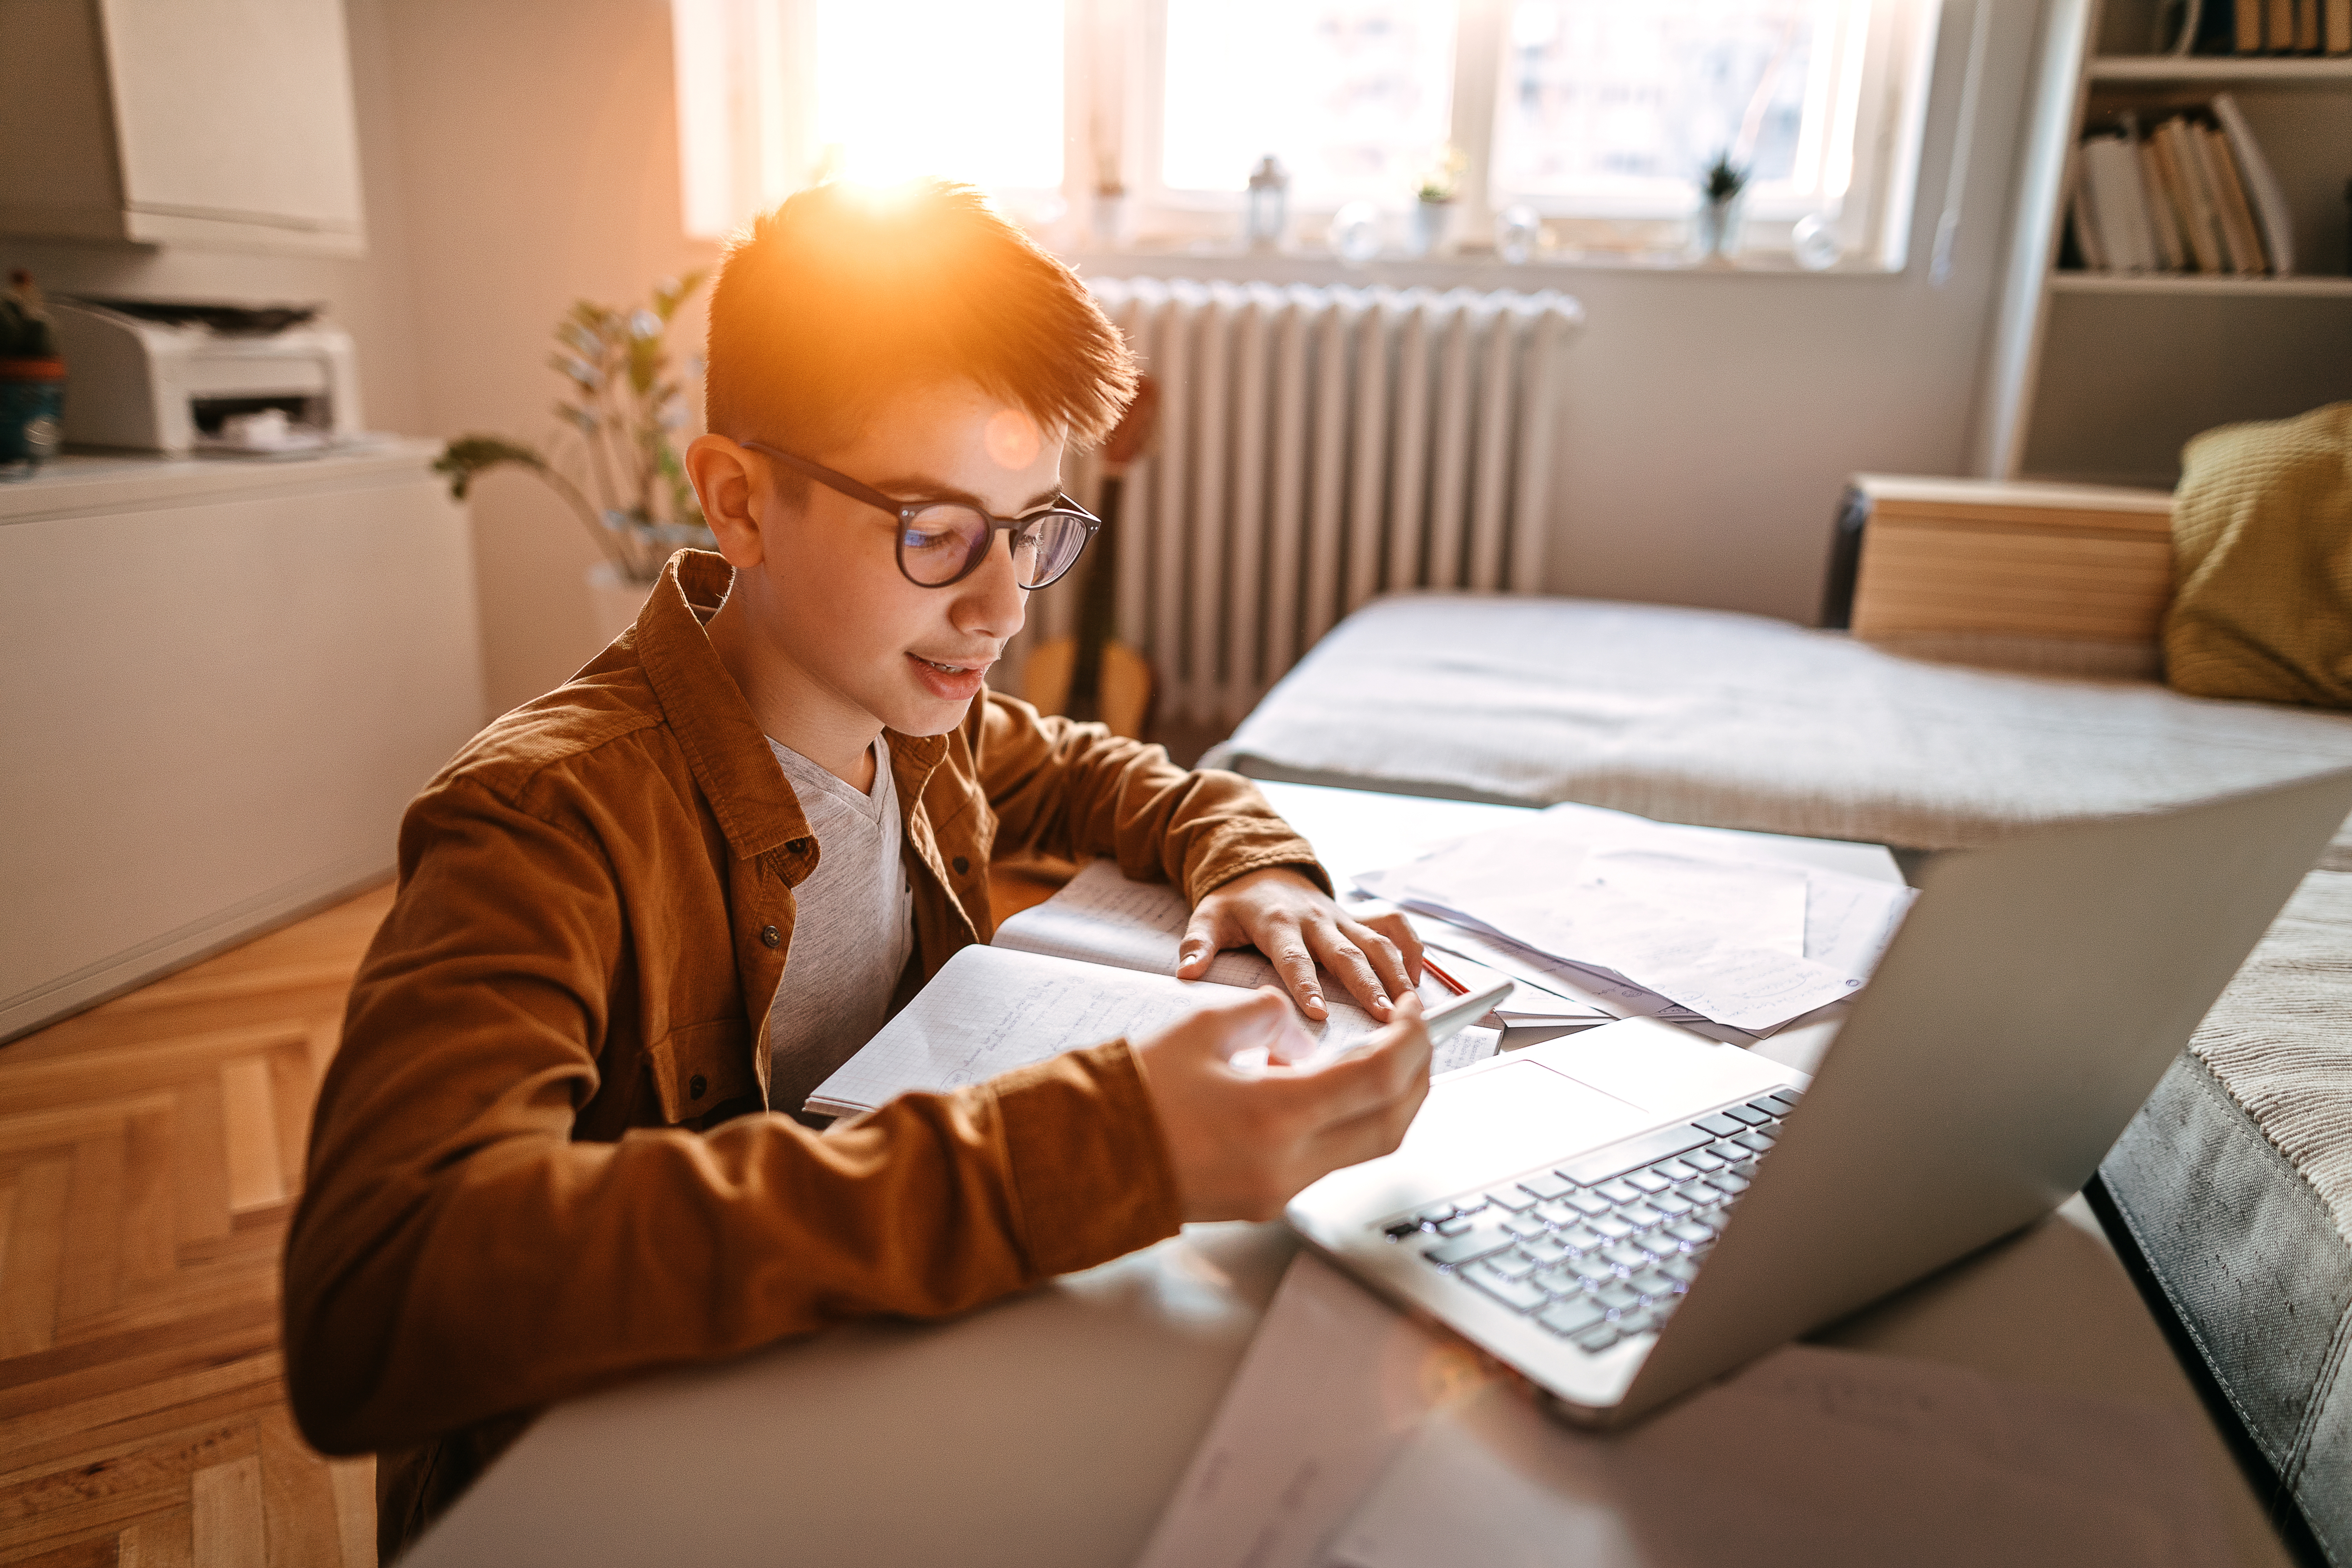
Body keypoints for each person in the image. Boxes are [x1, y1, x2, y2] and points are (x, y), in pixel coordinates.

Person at [282, 177, 1435, 1559]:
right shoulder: (543, 822)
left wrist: (1260, 868)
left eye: (1030, 530)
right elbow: (380, 1292)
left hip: (847, 1369)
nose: (1001, 608)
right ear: (740, 502)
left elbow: (1113, 774)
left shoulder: (920, 723)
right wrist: (1090, 1149)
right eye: (934, 531)